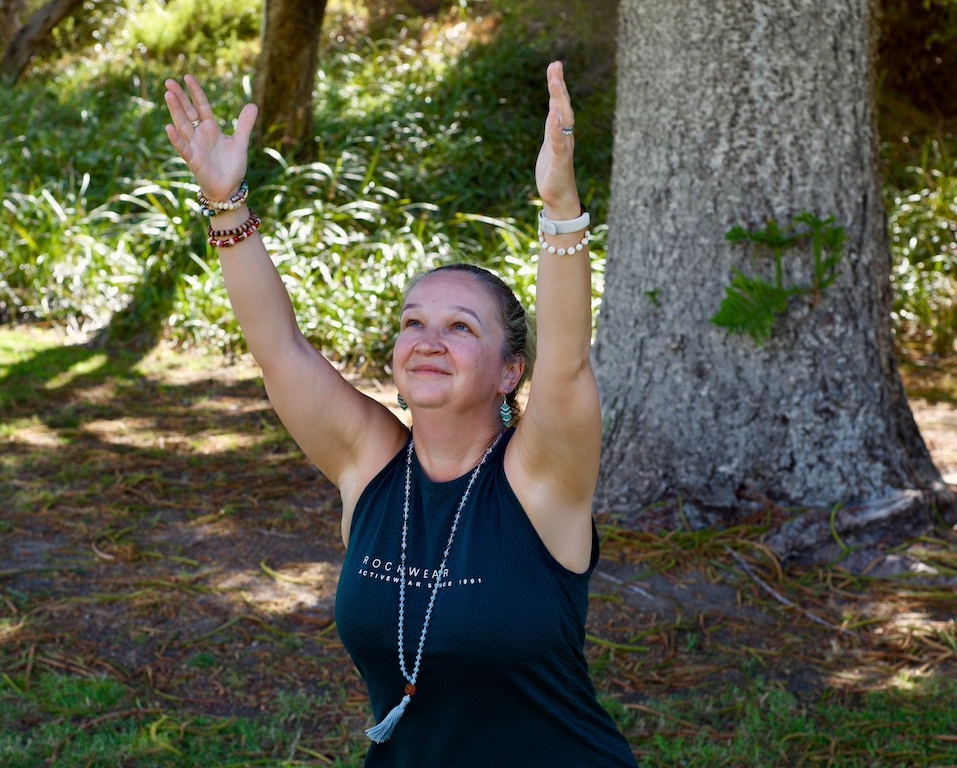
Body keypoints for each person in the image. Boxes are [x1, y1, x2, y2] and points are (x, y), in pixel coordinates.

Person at [163, 61, 638, 767]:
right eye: (414, 322)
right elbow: (281, 351)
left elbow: (566, 365)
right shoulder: (371, 464)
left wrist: (560, 208)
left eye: (461, 328)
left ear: (512, 370)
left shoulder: (542, 481)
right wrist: (227, 203)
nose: (428, 341)